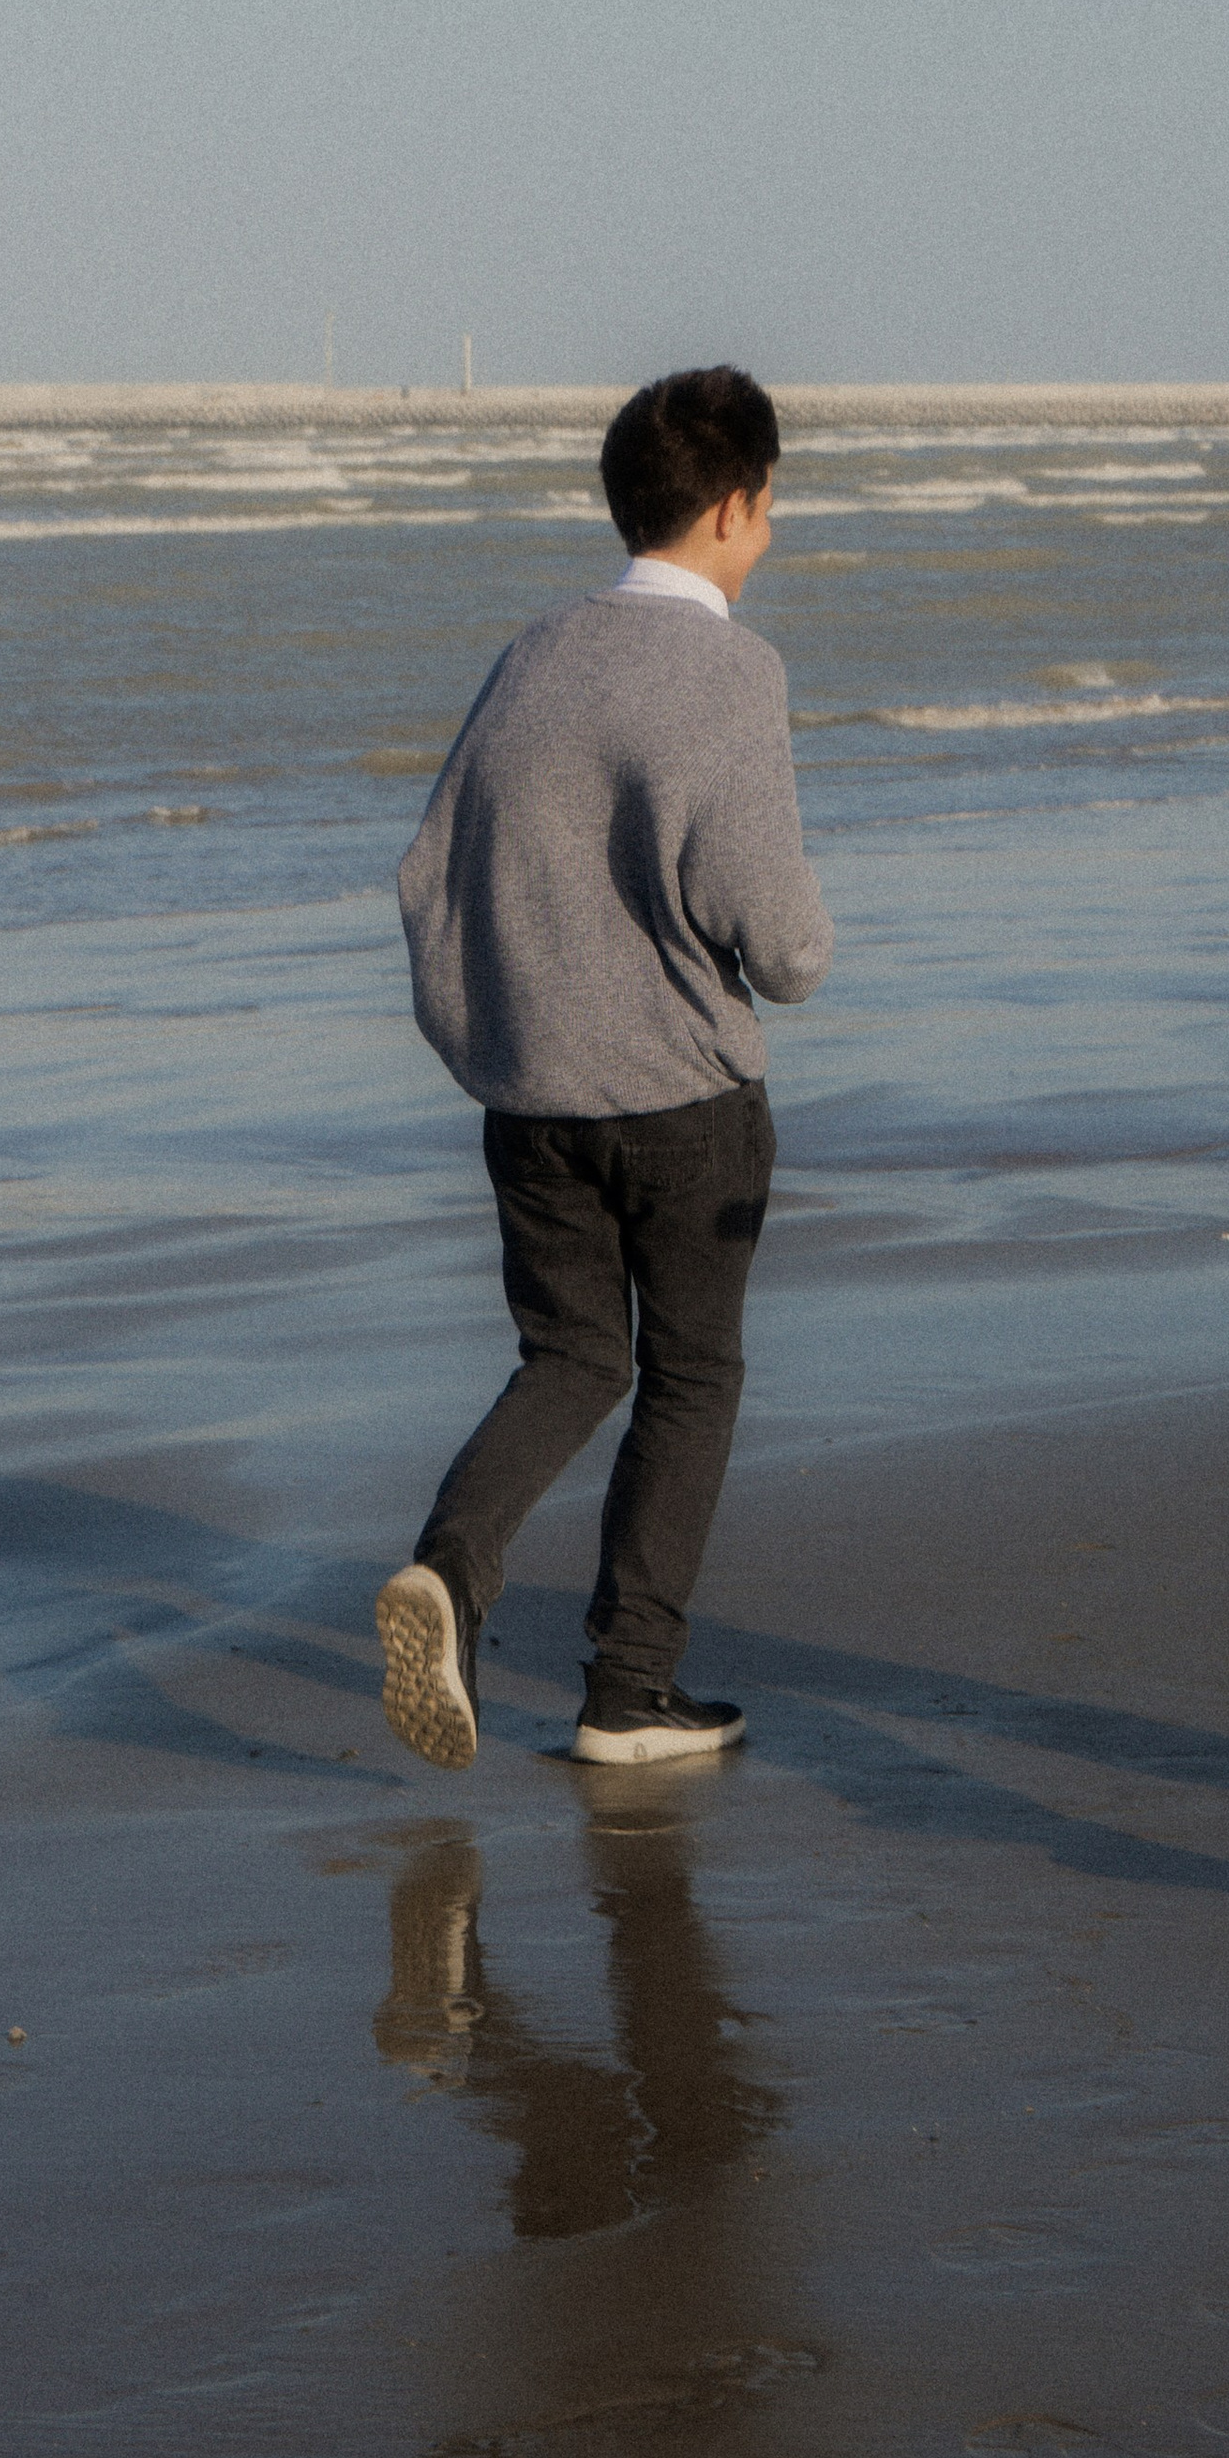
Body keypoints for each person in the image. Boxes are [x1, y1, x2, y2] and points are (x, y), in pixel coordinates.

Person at [376, 365, 832, 1774]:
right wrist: (798, 958)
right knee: (691, 1380)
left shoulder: (535, 651)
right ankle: (629, 1692)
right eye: (767, 510)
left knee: (571, 1357)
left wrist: (490, 1040)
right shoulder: (733, 668)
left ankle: (447, 1573)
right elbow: (780, 930)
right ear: (735, 508)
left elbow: (426, 877)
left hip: (531, 1099)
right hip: (686, 1102)